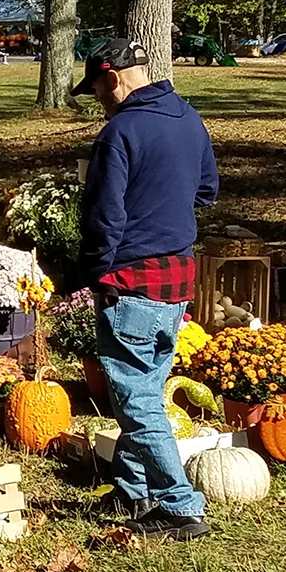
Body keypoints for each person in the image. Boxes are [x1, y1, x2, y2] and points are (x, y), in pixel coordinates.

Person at [74, 39, 219, 541]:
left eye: (95, 90)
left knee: (135, 398)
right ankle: (133, 488)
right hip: (177, 277)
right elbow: (206, 190)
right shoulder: (188, 118)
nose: (99, 100)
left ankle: (179, 506)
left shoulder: (120, 132)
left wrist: (93, 272)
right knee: (146, 389)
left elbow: (104, 217)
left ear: (111, 77)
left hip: (130, 279)